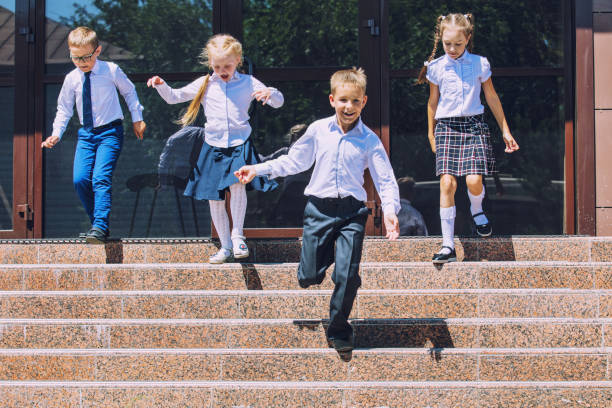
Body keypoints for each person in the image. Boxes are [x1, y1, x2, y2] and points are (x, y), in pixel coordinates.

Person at [235, 68, 400, 354]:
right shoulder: (318, 130)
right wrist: (257, 169)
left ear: (364, 102)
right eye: (344, 100)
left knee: (347, 275)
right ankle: (323, 267)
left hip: (351, 213)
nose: (349, 107)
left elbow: (385, 177)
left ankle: (338, 328)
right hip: (319, 211)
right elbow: (293, 162)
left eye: (356, 101)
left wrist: (390, 211)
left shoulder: (369, 139)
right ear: (332, 99)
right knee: (308, 276)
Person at [147, 34, 283, 263]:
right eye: (217, 65)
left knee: (238, 186)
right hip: (213, 146)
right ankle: (225, 246)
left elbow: (278, 102)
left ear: (238, 60)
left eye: (227, 65)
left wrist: (271, 93)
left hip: (239, 143)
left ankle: (238, 235)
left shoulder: (248, 82)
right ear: (210, 63)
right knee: (215, 198)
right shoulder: (205, 84)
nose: (222, 70)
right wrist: (162, 85)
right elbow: (174, 97)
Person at [418, 13, 519, 264]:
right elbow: (432, 102)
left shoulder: (480, 64)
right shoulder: (436, 67)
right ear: (441, 39)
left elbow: (492, 98)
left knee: (474, 181)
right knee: (447, 184)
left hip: (474, 126)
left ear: (468, 39)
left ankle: (477, 210)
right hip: (446, 127)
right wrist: (431, 133)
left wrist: (505, 130)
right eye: (447, 44)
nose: (452, 49)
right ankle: (447, 245)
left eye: (458, 44)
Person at [42, 26, 146, 244]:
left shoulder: (111, 70)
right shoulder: (72, 78)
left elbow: (129, 91)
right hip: (86, 135)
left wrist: (137, 118)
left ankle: (99, 225)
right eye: (75, 58)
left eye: (86, 57)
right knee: (80, 179)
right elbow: (64, 108)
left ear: (97, 51)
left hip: (110, 132)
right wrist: (56, 134)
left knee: (100, 177)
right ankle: (97, 226)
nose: (81, 62)